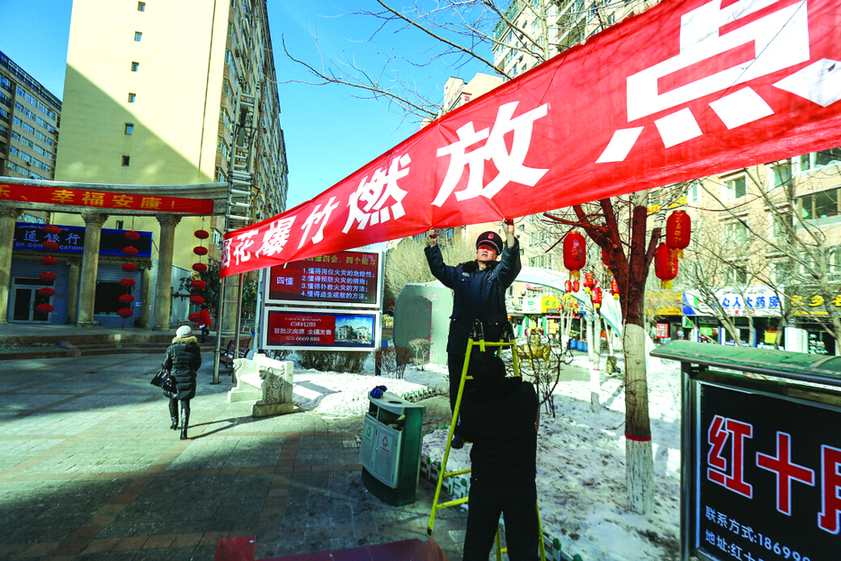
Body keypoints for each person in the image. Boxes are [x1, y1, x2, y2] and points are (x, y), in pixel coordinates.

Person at [424, 221, 521, 447]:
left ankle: (483, 429)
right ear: (476, 250)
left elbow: (511, 265)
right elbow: (439, 269)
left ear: (496, 253)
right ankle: (461, 430)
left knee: (484, 388)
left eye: (490, 247)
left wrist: (509, 237)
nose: (484, 249)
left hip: (486, 344)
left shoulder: (499, 275)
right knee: (458, 389)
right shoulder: (461, 272)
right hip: (459, 342)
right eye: (481, 246)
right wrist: (432, 246)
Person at [459, 353, 540, 561]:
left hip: (486, 484)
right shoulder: (526, 392)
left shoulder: (472, 405)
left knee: (477, 548)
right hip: (521, 483)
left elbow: (466, 432)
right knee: (524, 551)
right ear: (504, 371)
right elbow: (534, 420)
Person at [162, 325, 202, 440]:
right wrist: (191, 371)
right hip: (188, 377)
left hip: (173, 378)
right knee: (185, 404)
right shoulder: (195, 348)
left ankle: (174, 422)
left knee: (172, 399)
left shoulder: (172, 348)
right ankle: (184, 431)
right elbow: (198, 363)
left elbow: (165, 364)